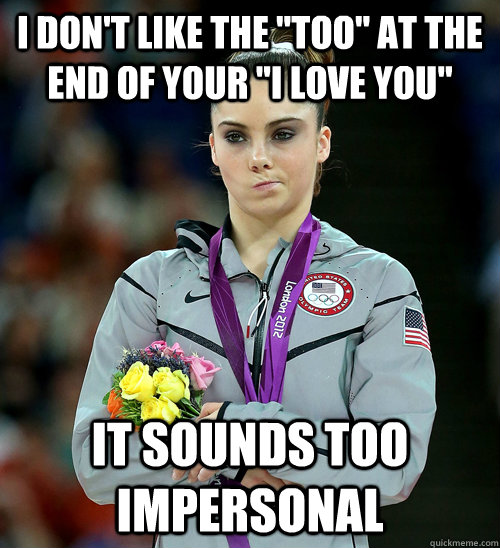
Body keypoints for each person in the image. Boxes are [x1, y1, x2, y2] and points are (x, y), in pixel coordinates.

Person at [72, 28, 436, 548]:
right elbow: (96, 461)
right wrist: (247, 459)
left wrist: (234, 429)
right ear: (214, 148)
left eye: (283, 134)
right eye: (236, 136)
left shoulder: (380, 285)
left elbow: (395, 462)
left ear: (321, 143)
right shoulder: (151, 286)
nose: (258, 157)